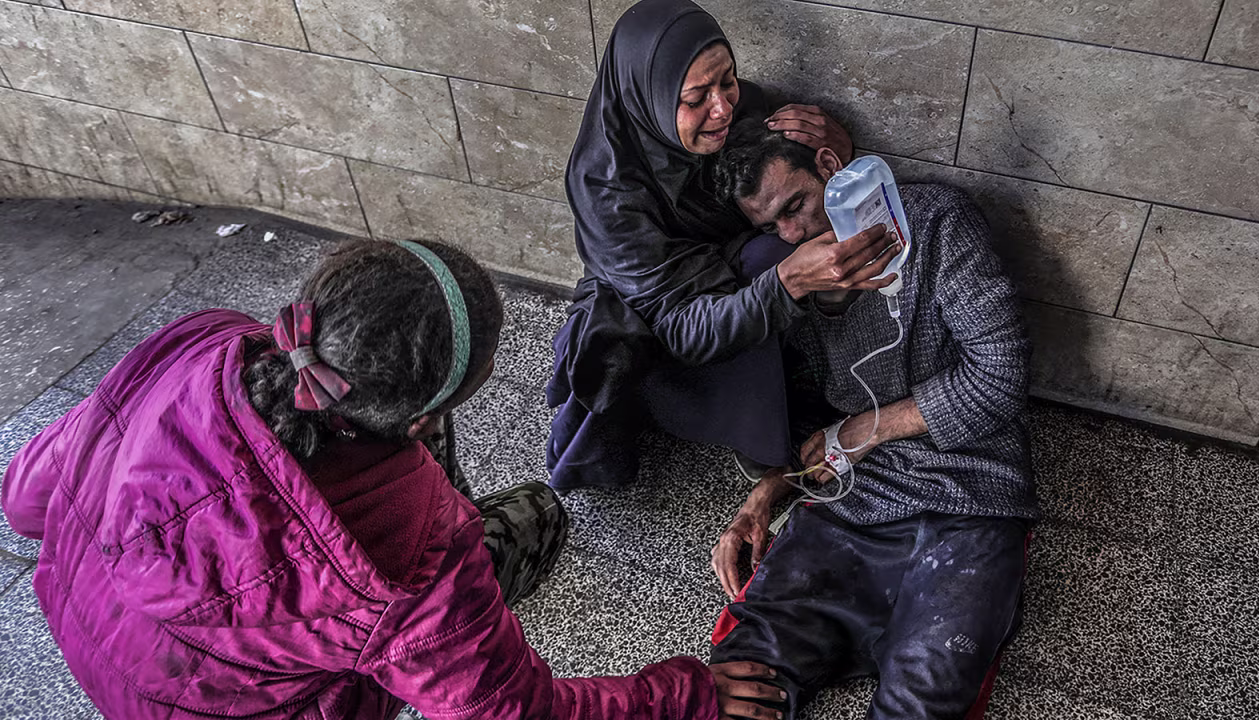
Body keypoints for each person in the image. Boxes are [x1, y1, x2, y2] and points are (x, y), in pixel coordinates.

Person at [2, 238, 785, 720]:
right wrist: (688, 694)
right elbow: (512, 712)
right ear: (420, 421)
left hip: (90, 633)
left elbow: (25, 499)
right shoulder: (414, 557)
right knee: (540, 512)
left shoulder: (207, 343)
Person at [705, 117, 1040, 719]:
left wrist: (868, 429)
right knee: (743, 675)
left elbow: (1002, 374)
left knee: (924, 691)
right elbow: (809, 421)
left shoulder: (935, 222)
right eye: (772, 226)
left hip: (970, 496)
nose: (793, 234)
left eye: (796, 206)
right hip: (854, 501)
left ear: (830, 170)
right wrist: (765, 496)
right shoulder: (792, 279)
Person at [546, 0, 901, 490]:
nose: (723, 109)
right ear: (650, 98)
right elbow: (680, 326)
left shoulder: (738, 112)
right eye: (696, 98)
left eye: (728, 80)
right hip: (663, 320)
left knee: (784, 245)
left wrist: (835, 156)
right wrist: (788, 281)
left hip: (728, 268)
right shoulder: (607, 192)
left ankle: (809, 388)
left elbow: (778, 185)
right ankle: (751, 434)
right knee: (777, 261)